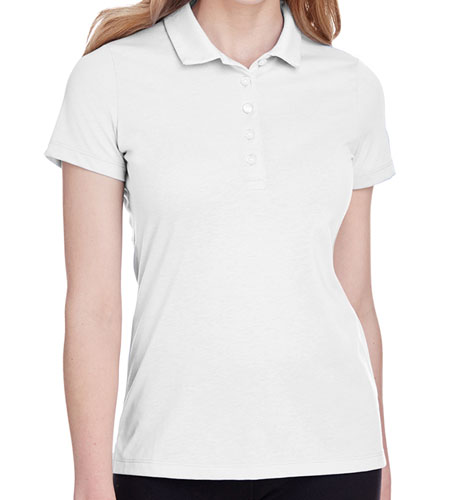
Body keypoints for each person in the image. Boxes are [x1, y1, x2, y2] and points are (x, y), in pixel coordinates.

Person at [44, 0, 396, 499]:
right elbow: (93, 307)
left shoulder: (353, 86)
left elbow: (356, 298)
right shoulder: (110, 78)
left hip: (337, 457)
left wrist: (381, 458)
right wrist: (90, 481)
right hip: (167, 459)